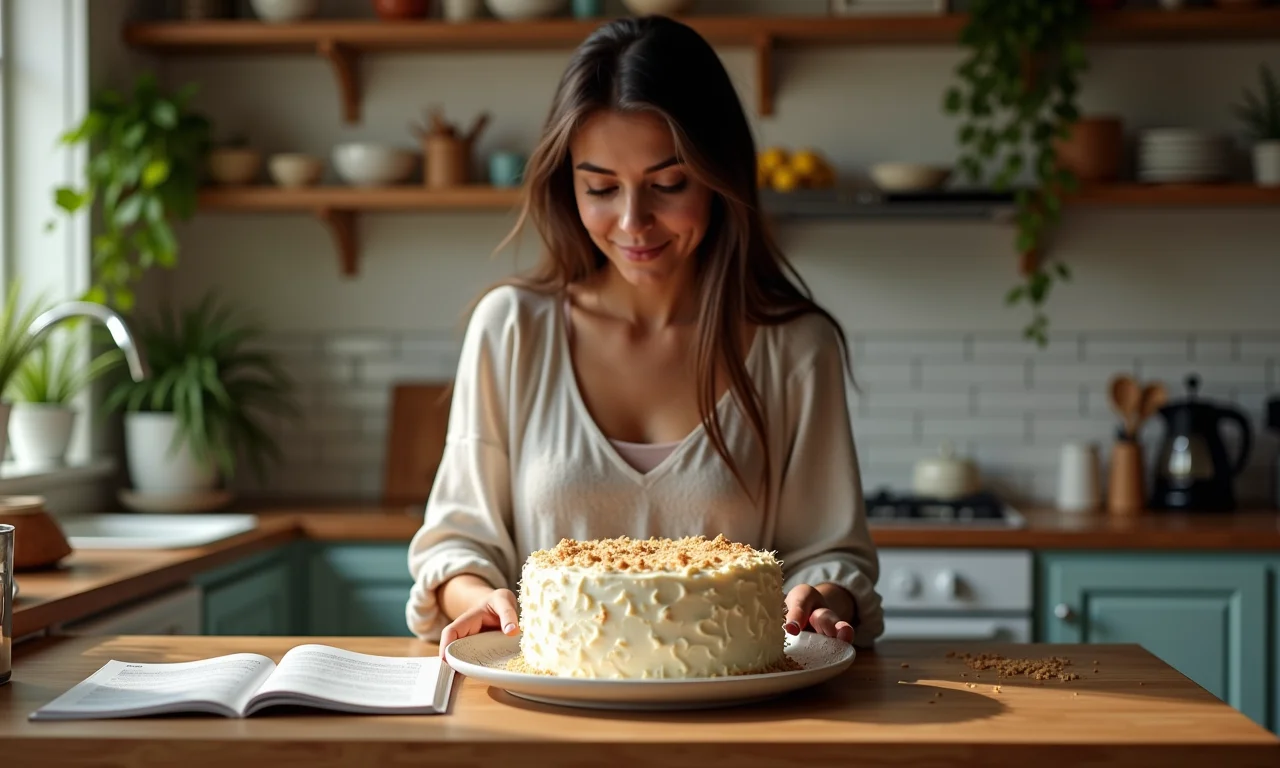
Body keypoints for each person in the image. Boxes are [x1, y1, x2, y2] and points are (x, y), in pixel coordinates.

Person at [405, 14, 883, 652]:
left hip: (737, 718)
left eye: (668, 184)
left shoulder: (796, 347)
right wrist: (481, 599)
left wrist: (820, 597)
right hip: (549, 714)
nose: (633, 221)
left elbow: (829, 553)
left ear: (720, 177)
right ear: (565, 182)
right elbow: (458, 543)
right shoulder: (513, 329)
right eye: (600, 187)